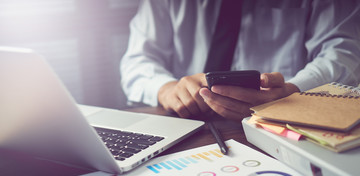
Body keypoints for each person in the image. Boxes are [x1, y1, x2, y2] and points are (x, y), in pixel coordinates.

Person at [120, 0, 360, 122]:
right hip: (186, 123)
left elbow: (343, 51)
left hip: (282, 126)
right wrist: (166, 90)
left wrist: (293, 92)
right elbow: (138, 60)